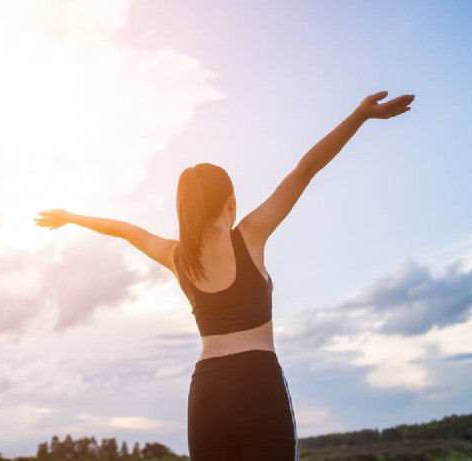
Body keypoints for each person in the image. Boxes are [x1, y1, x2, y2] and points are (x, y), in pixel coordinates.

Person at [35, 90, 415, 460]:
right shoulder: (250, 236)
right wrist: (359, 116)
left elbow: (125, 229)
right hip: (258, 385)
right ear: (230, 201)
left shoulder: (176, 257)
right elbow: (307, 169)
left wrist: (71, 217)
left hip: (207, 393)